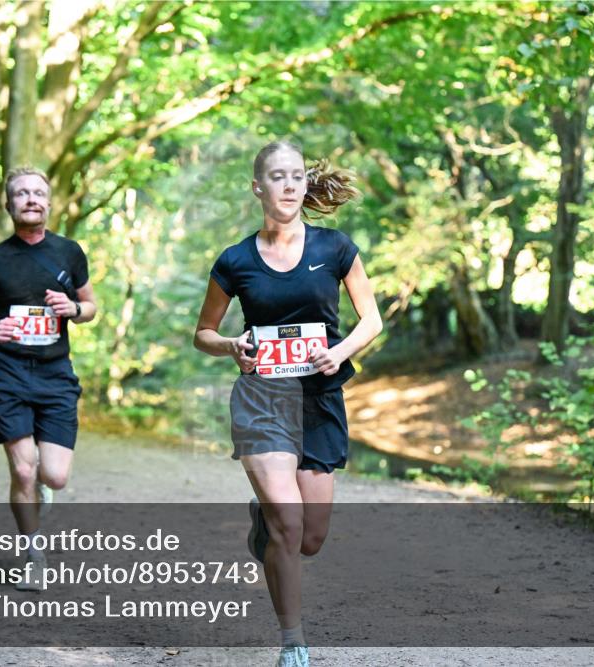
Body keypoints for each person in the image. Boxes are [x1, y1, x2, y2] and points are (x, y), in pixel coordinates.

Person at [193, 140, 382, 667]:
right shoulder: (235, 260)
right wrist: (233, 345)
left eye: (297, 175)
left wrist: (338, 352)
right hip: (262, 400)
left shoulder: (335, 248)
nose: (290, 185)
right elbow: (203, 333)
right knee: (289, 521)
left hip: (319, 398)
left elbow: (372, 320)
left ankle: (265, 525)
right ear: (259, 187)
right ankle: (293, 640)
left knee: (311, 537)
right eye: (278, 177)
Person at [0, 166, 96, 591]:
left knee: (54, 476)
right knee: (23, 472)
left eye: (38, 192)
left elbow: (91, 306)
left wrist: (72, 310)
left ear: (49, 202)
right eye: (21, 193)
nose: (31, 199)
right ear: (9, 204)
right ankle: (33, 554)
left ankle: (43, 492)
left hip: (56, 373)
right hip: (8, 373)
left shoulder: (69, 253)